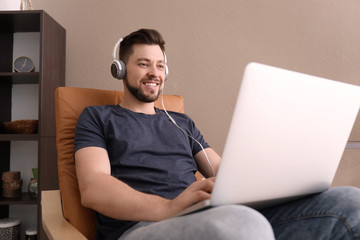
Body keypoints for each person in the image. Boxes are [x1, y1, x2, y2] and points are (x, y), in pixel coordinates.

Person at [74, 28, 360, 240]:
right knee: (245, 224)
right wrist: (168, 207)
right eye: (144, 64)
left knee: (350, 202)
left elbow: (225, 171)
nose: (155, 73)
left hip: (210, 217)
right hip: (139, 228)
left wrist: (279, 180)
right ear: (120, 69)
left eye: (160, 65)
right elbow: (94, 188)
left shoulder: (181, 122)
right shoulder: (97, 118)